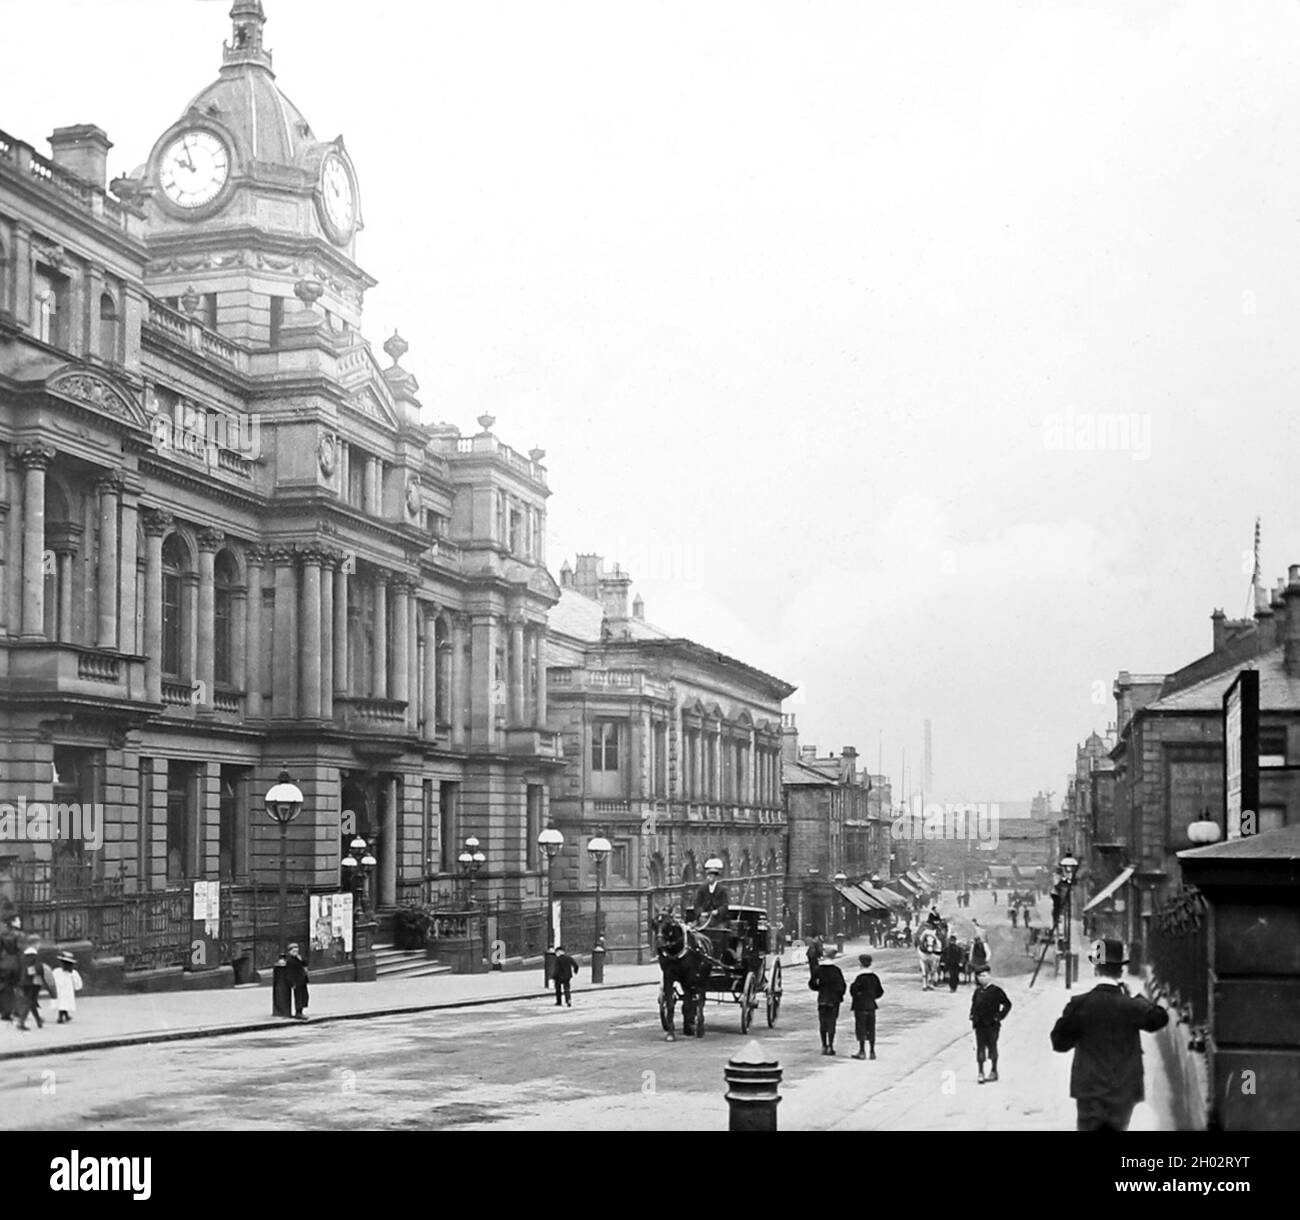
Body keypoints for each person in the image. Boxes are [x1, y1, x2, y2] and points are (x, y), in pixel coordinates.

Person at [1050, 939, 1170, 1131]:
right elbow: (1159, 1018)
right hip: (1123, 1092)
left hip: (1089, 1092)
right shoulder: (1130, 1005)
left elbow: (1059, 1043)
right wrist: (1136, 999)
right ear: (1120, 971)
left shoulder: (1080, 1004)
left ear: (1096, 969)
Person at [969, 964, 1012, 1082]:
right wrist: (972, 1015)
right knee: (980, 1047)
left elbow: (1007, 1004)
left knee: (992, 1046)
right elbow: (974, 1005)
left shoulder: (996, 991)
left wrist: (1000, 1016)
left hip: (992, 1025)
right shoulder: (977, 992)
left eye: (984, 975)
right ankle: (981, 1072)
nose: (981, 978)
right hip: (980, 1024)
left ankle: (994, 1070)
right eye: (979, 976)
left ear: (989, 976)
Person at [810, 957, 847, 1055]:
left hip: (822, 999)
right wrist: (839, 995)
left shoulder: (818, 970)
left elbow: (812, 983)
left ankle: (824, 1045)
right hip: (833, 1000)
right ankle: (830, 1045)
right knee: (832, 1023)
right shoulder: (836, 970)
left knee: (822, 1023)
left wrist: (819, 988)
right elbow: (842, 986)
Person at [849, 953, 884, 1059]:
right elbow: (880, 991)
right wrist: (871, 997)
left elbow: (853, 991)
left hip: (860, 1006)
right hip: (871, 1005)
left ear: (860, 963)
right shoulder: (874, 977)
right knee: (871, 1028)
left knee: (861, 1028)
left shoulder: (859, 977)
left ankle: (862, 1051)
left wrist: (859, 995)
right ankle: (872, 1051)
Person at [15, 946, 45, 1031]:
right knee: (29, 1002)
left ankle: (38, 1020)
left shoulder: (22, 958)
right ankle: (21, 1022)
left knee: (31, 1002)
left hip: (23, 983)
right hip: (33, 983)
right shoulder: (35, 958)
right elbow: (37, 969)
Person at [0, 914, 21, 1023]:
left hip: (4, 962)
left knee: (5, 988)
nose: (20, 921)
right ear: (12, 923)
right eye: (18, 920)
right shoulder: (18, 935)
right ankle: (17, 1010)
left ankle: (6, 1011)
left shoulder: (2, 935)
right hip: (15, 963)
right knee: (17, 987)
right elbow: (20, 950)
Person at [51, 952, 82, 1023]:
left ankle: (66, 1016)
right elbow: (77, 982)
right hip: (66, 991)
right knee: (64, 1003)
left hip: (60, 991)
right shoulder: (72, 973)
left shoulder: (57, 971)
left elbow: (52, 980)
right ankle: (60, 1018)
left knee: (62, 1003)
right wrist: (77, 987)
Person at [284, 943, 310, 1019]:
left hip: (302, 981)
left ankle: (301, 1011)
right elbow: (289, 973)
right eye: (294, 951)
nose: (296, 952)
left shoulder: (298, 959)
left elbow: (305, 964)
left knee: (304, 996)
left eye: (297, 951)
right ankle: (298, 1012)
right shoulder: (290, 960)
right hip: (297, 981)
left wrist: (301, 959)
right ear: (290, 951)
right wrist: (292, 983)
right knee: (299, 997)